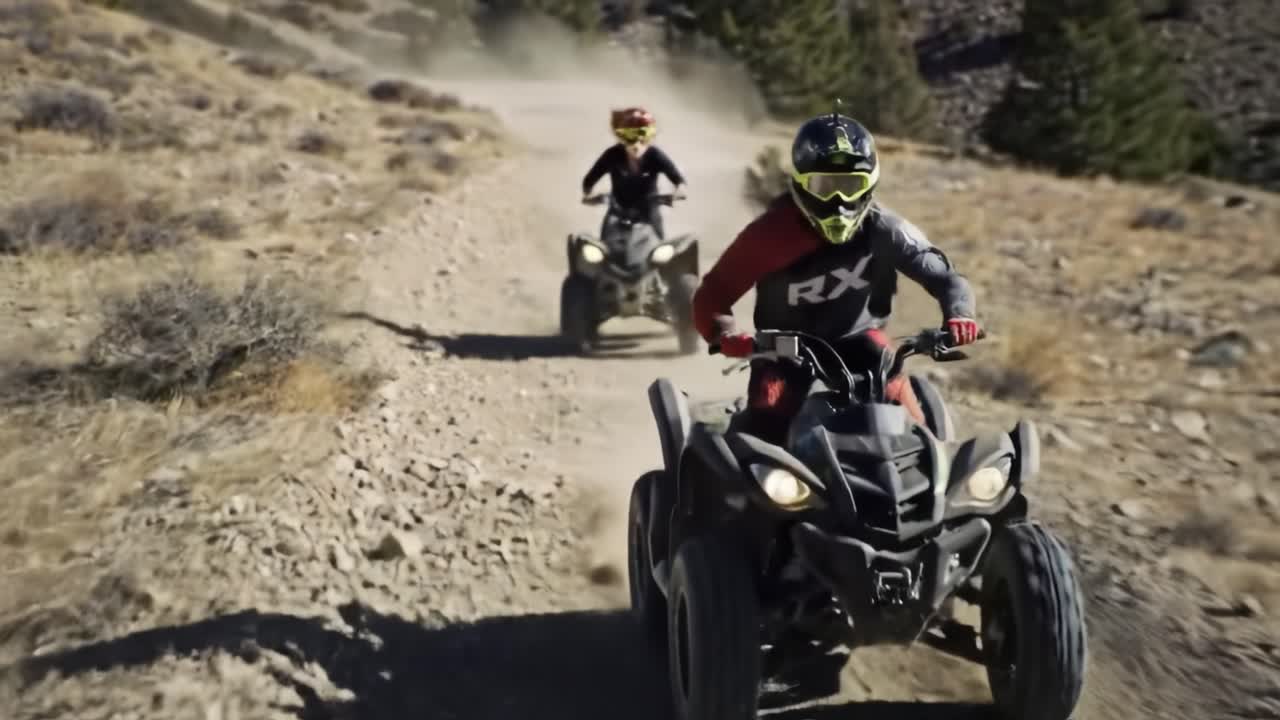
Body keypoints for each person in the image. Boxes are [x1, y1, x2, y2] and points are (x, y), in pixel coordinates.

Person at [691, 111, 981, 444]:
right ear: (801, 182)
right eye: (825, 186)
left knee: (917, 435)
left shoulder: (885, 228)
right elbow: (715, 293)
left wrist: (960, 314)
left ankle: (931, 483)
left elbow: (946, 276)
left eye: (850, 186)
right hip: (782, 350)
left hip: (860, 340)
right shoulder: (768, 235)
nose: (839, 201)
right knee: (761, 436)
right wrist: (724, 334)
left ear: (870, 183)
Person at [581, 107, 687, 240]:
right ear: (621, 137)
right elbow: (589, 180)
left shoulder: (655, 155)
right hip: (617, 213)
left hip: (649, 214)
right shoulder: (612, 154)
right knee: (602, 249)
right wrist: (589, 195)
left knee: (660, 253)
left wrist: (678, 193)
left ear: (651, 137)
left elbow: (679, 180)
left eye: (643, 136)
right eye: (630, 136)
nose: (637, 144)